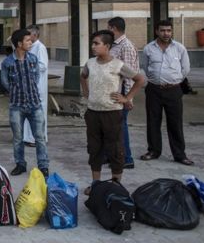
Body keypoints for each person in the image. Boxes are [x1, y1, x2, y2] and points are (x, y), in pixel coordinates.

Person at [80, 30, 145, 195]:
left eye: (97, 43)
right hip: (93, 113)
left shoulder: (118, 65)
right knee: (94, 149)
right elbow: (83, 76)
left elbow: (140, 79)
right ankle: (95, 183)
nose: (93, 46)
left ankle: (116, 185)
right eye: (93, 43)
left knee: (115, 149)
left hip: (112, 114)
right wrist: (87, 94)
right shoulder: (90, 63)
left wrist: (127, 98)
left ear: (107, 46)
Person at [140, 19, 194, 166]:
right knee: (153, 121)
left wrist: (174, 80)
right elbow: (144, 66)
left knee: (175, 123)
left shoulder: (179, 48)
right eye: (163, 30)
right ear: (156, 31)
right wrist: (155, 79)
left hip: (174, 90)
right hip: (154, 90)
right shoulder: (148, 49)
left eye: (169, 30)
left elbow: (185, 69)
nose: (166, 33)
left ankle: (179, 154)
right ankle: (153, 151)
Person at [1, 28, 49, 176]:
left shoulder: (33, 59)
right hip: (16, 106)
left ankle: (43, 166)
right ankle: (20, 164)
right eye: (27, 40)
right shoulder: (7, 62)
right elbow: (5, 83)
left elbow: (35, 80)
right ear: (19, 43)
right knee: (18, 138)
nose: (30, 42)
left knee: (40, 137)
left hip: (35, 105)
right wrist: (17, 92)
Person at [107, 17, 140, 169]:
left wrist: (128, 98)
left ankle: (126, 158)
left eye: (109, 28)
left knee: (120, 127)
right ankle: (113, 156)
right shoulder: (115, 45)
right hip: (112, 93)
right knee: (113, 127)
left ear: (113, 28)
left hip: (121, 93)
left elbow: (130, 75)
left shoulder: (125, 46)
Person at [23, 24, 49, 147]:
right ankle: (28, 137)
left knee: (38, 114)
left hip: (38, 86)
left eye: (28, 34)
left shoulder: (40, 47)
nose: (26, 37)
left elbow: (43, 65)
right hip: (28, 86)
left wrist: (29, 66)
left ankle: (37, 138)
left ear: (35, 34)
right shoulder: (28, 47)